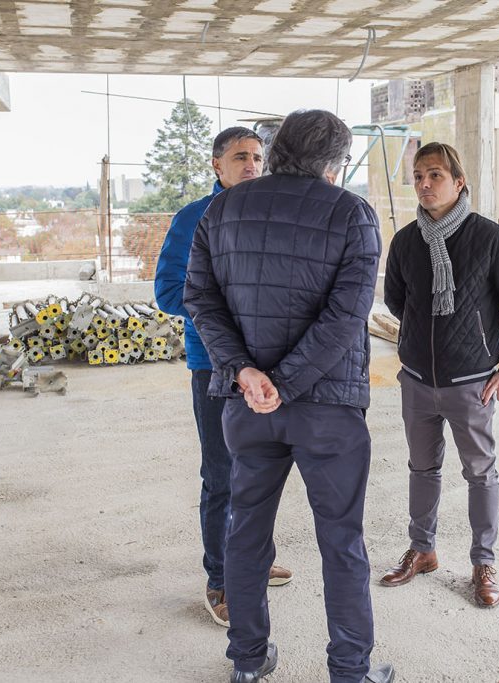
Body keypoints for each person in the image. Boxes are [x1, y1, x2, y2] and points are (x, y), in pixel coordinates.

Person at [183, 110, 394, 683]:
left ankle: (248, 664)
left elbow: (200, 299)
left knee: (245, 535)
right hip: (327, 410)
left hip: (248, 409)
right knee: (341, 542)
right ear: (334, 163)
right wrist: (288, 382)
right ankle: (350, 671)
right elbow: (347, 317)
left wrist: (246, 373)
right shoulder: (353, 214)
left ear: (276, 152)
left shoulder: (221, 210)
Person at [380, 142, 499, 607]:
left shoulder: (490, 238)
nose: (424, 185)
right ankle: (422, 550)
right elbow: (396, 301)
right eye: (418, 176)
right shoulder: (406, 241)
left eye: (435, 176)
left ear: (458, 181)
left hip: (473, 383)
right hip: (418, 382)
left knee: (480, 474)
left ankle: (483, 562)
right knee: (421, 468)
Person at [154, 126, 292, 629]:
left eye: (257, 157)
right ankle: (221, 580)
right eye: (240, 157)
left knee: (264, 470)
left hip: (270, 367)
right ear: (217, 165)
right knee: (221, 476)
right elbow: (170, 292)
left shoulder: (272, 214)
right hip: (214, 366)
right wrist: (232, 315)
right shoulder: (193, 219)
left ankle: (254, 559)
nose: (251, 165)